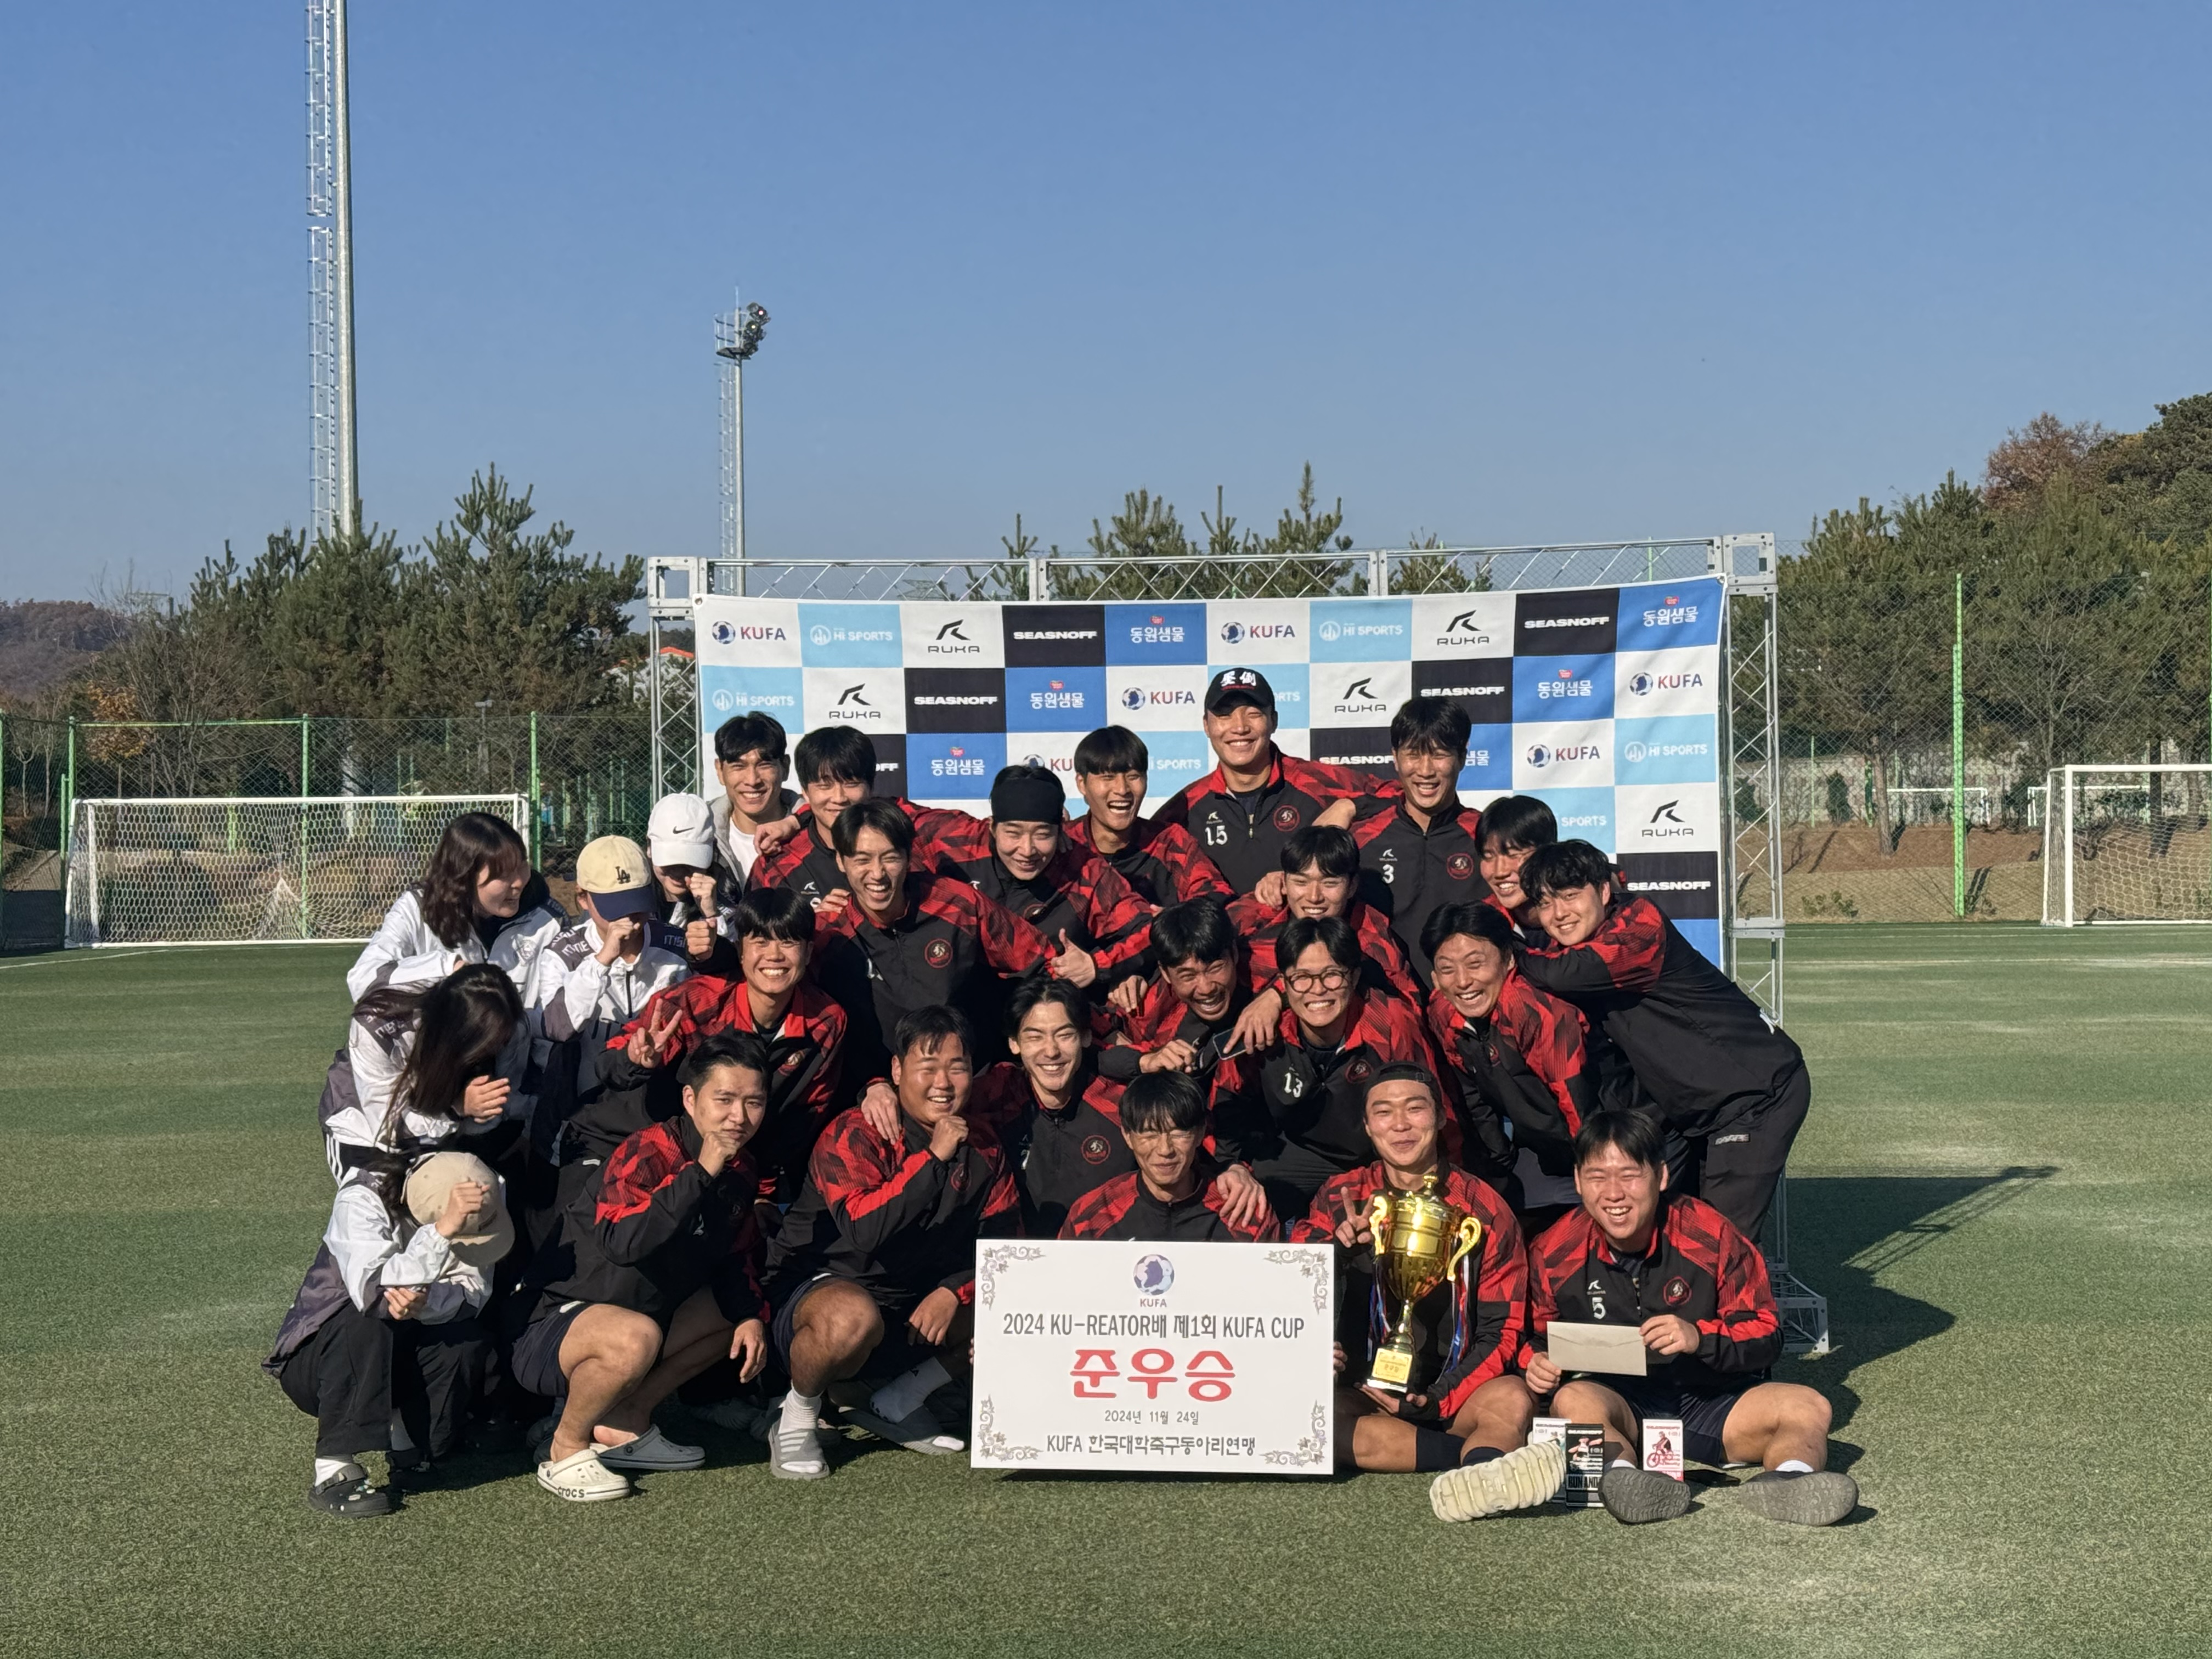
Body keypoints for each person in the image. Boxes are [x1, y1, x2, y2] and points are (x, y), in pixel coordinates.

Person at [1522, 1110, 1857, 1528]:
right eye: (1597, 1177)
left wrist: (1699, 1337)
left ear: (1661, 1176)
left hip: (1714, 1402)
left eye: (1630, 1175)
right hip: (1623, 1405)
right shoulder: (1553, 1250)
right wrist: (1534, 1362)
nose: (1614, 1194)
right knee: (1573, 1400)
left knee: (1808, 1405)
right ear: (1577, 1181)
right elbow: (1534, 1336)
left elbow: (1767, 1332)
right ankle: (1624, 1479)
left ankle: (1789, 1481)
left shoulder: (1711, 1234)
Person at [512, 1035, 775, 1502]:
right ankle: (565, 1446)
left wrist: (750, 1315)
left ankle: (626, 1420)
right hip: (553, 1325)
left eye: (753, 1102)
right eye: (725, 1100)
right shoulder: (647, 1151)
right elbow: (623, 1243)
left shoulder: (742, 1168)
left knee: (730, 1316)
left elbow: (735, 1254)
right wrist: (698, 1175)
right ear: (691, 1099)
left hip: (640, 1321)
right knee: (636, 1337)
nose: (739, 1116)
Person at [1289, 1065, 1559, 1516]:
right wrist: (1337, 1251)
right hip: (1366, 1394)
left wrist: (1438, 1399)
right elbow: (1289, 1294)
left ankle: (1479, 1471)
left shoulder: (1484, 1209)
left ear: (1440, 1117)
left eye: (1415, 1109)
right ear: (1368, 1126)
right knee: (1311, 1421)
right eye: (1384, 1113)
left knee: (1512, 1397)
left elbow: (1504, 1328)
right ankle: (1473, 1463)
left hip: (1457, 1394)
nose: (1400, 1124)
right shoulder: (1340, 1197)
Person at [763, 1007, 1019, 1479]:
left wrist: (954, 1291)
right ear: (897, 1071)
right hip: (821, 1295)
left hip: (910, 1303)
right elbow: (866, 1231)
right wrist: (934, 1157)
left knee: (1011, 1298)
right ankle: (796, 1415)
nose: (943, 1083)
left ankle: (900, 1399)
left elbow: (1006, 1247)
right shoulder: (854, 1132)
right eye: (928, 1067)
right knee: (852, 1316)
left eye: (957, 1067)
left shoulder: (984, 1143)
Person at [1515, 840, 1810, 1240]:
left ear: (1604, 891)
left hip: (1755, 1094)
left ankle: (1743, 1284)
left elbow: (1561, 973)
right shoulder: (1577, 941)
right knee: (1674, 1235)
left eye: (1570, 896)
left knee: (1719, 1244)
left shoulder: (1638, 926)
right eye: (1545, 904)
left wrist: (1505, 951)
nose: (1559, 914)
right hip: (1696, 1112)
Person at [265, 1150, 509, 1517]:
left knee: (467, 1334)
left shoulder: (484, 1185)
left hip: (401, 1344)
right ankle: (333, 1466)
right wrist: (440, 1233)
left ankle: (407, 1442)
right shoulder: (361, 1197)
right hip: (317, 1364)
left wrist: (422, 1301)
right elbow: (373, 1291)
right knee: (367, 1319)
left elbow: (473, 1294)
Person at [586, 886, 846, 1209]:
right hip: (633, 1143)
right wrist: (636, 1060)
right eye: (760, 942)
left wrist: (763, 1191)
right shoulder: (693, 1001)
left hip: (733, 1165)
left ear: (808, 953)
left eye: (789, 942)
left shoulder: (826, 1021)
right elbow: (609, 1064)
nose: (774, 955)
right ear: (740, 951)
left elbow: (804, 1117)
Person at [809, 797, 1060, 1099]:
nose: (877, 874)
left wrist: (1022, 1045)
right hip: (882, 1093)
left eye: (890, 858)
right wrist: (871, 1082)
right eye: (862, 860)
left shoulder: (957, 904)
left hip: (972, 1082)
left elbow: (1042, 963)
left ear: (908, 857)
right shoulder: (828, 934)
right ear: (840, 861)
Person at [1216, 915, 1438, 1217]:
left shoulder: (1389, 1022)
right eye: (1302, 978)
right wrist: (1232, 1165)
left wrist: (1438, 1180)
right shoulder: (1266, 1030)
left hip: (1382, 1156)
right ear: (1284, 984)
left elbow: (1433, 1101)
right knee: (1239, 1206)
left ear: (1354, 978)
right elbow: (1227, 1099)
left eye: (1332, 975)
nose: (1317, 990)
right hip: (1303, 1152)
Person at [916, 764, 1156, 994]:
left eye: (1043, 835)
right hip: (953, 1003)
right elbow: (896, 813)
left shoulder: (1083, 872)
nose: (1027, 850)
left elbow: (1149, 930)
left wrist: (1097, 965)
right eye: (1013, 834)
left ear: (1060, 831)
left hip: (1042, 1009)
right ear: (992, 827)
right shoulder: (953, 839)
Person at [1421, 901, 1597, 1216]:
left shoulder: (1535, 1012)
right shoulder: (1443, 1012)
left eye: (1475, 964)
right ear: (1435, 978)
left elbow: (1578, 1105)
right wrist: (1497, 1169)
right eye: (1447, 969)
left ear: (1509, 959)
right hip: (1543, 1151)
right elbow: (1471, 1098)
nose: (1463, 982)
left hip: (1604, 1142)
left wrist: (1596, 1175)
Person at [1147, 669, 1365, 895]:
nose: (1240, 728)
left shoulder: (1318, 783)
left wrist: (1348, 806)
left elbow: (1389, 795)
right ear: (1206, 726)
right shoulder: (1184, 809)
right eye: (1224, 716)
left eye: (1253, 714)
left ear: (1274, 721)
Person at [322, 963, 533, 1183]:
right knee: (377, 1201)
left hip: (442, 1130)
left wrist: (483, 1111)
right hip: (365, 1134)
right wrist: (458, 1109)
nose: (498, 1049)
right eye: (488, 1046)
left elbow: (496, 1111)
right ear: (460, 1036)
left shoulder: (505, 1020)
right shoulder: (378, 1027)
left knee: (473, 1194)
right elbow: (387, 1129)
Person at [957, 979, 1138, 1236]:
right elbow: (933, 1104)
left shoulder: (1121, 1102)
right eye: (1035, 1037)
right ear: (1014, 1043)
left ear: (1086, 1037)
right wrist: (890, 1096)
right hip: (1017, 1255)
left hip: (1105, 1254)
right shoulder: (996, 1095)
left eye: (1064, 1035)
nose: (1051, 1051)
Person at [1344, 697, 1491, 982]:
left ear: (1462, 757)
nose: (1425, 771)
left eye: (1439, 755)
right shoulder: (1360, 839)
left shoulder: (1488, 838)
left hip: (1466, 998)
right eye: (1413, 755)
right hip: (1383, 1002)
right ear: (1395, 758)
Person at [347, 810, 563, 1001]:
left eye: (522, 866)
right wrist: (446, 968)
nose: (518, 883)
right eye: (504, 875)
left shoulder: (548, 919)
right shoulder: (418, 908)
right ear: (464, 877)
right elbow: (363, 980)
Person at [1060, 1071, 1279, 1241]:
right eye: (1150, 1134)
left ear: (1200, 1133)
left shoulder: (1245, 1211)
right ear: (1128, 1136)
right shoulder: (1091, 1216)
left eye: (1178, 1133)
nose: (1165, 1150)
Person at [1096, 898, 1267, 1113]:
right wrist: (1144, 1061)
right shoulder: (1147, 1004)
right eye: (1188, 976)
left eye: (1215, 968)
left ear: (1234, 954)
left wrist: (1276, 997)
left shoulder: (1258, 966)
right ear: (1166, 974)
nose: (1206, 988)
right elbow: (1090, 1045)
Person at [1229, 826, 1424, 1005]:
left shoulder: (1371, 937)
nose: (1314, 897)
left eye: (1330, 884)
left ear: (1352, 886)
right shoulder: (1252, 917)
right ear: (1284, 881)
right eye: (1301, 882)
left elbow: (1407, 1005)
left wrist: (1279, 997)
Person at [532, 836, 690, 1049]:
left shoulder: (677, 944)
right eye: (614, 904)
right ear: (583, 898)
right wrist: (602, 961)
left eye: (636, 900)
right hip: (589, 1070)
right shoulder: (562, 953)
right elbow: (555, 1027)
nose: (628, 915)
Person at [1062, 724, 1234, 905]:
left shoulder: (1167, 842)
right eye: (1108, 777)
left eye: (1133, 777)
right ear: (1082, 784)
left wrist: (1174, 918)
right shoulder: (1063, 843)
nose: (1122, 789)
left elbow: (1216, 893)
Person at [645, 792, 743, 970]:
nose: (678, 872)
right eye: (669, 861)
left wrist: (712, 916)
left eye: (690, 863)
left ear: (712, 853)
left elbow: (737, 966)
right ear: (649, 849)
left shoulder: (728, 900)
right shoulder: (631, 895)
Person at [708, 712, 799, 883]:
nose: (752, 780)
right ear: (720, 771)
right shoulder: (699, 832)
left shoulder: (817, 830)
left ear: (785, 767)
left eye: (764, 765)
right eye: (739, 766)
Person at [1476, 794, 1557, 934]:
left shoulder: (1586, 915)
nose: (1500, 872)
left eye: (1513, 854)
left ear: (1547, 852)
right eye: (1489, 856)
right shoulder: (1480, 926)